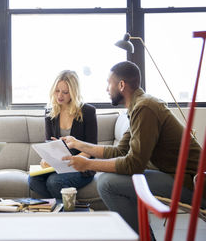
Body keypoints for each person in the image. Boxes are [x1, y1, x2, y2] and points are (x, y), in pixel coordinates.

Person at [61, 61, 205, 234]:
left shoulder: (145, 108)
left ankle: (141, 238)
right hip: (174, 175)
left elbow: (134, 164)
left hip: (194, 184)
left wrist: (88, 164)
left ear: (121, 85)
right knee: (108, 179)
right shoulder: (139, 107)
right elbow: (120, 151)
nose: (107, 89)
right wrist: (78, 144)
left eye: (109, 83)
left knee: (107, 183)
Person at [28, 70, 97, 199]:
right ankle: (65, 209)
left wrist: (70, 162)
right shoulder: (50, 112)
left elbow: (91, 149)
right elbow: (49, 144)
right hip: (59, 166)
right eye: (57, 91)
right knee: (33, 180)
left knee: (54, 182)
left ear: (73, 93)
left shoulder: (88, 111)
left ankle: (63, 213)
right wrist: (46, 159)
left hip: (82, 165)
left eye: (65, 92)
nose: (60, 96)